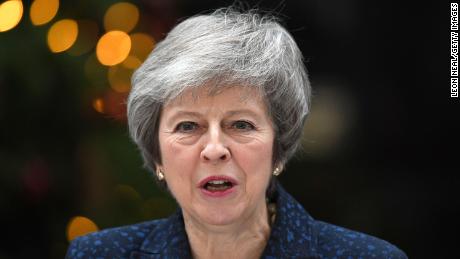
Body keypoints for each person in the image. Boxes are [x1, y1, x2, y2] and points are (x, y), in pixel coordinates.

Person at [66, 7, 407, 259]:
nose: (214, 148)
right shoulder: (97, 254)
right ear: (157, 155)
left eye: (240, 125)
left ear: (278, 146)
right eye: (188, 126)